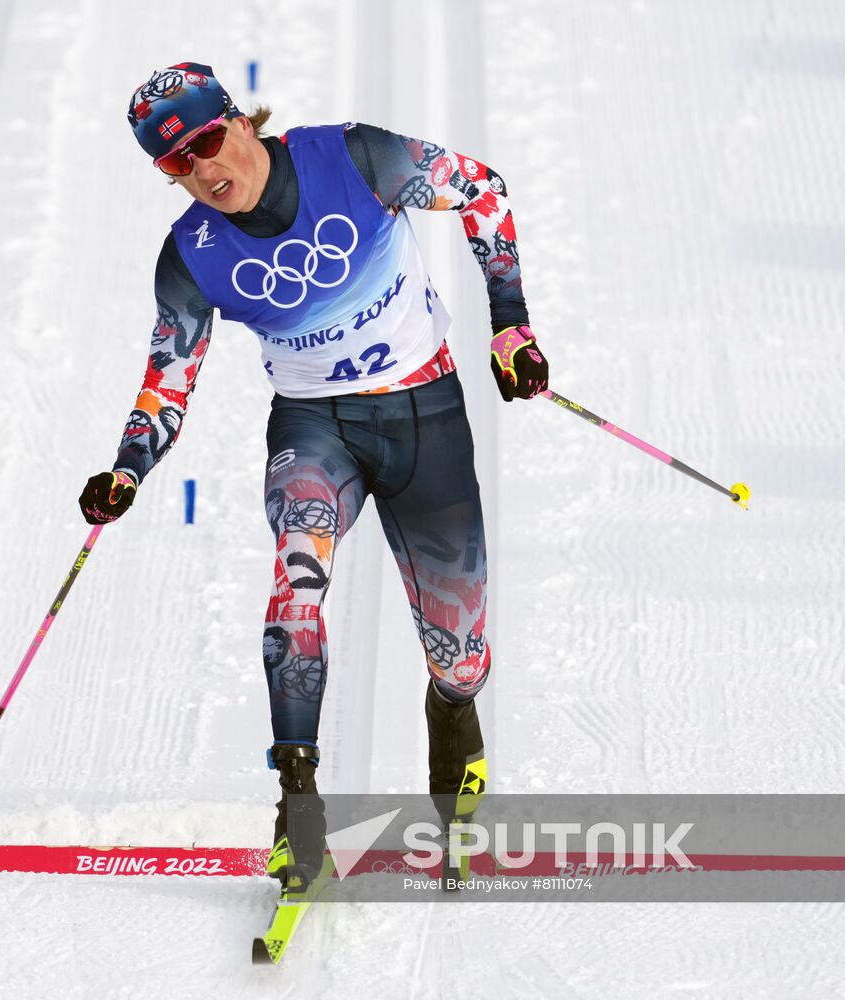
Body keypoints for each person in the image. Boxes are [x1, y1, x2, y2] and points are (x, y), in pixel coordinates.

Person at [78, 62, 548, 890]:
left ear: (240, 120)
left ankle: (453, 716)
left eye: (209, 142)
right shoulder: (191, 254)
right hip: (314, 427)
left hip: (422, 412)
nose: (202, 171)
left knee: (461, 654)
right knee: (297, 584)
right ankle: (298, 809)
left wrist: (509, 325)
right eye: (174, 165)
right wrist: (128, 466)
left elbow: (483, 189)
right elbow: (169, 375)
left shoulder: (356, 158)